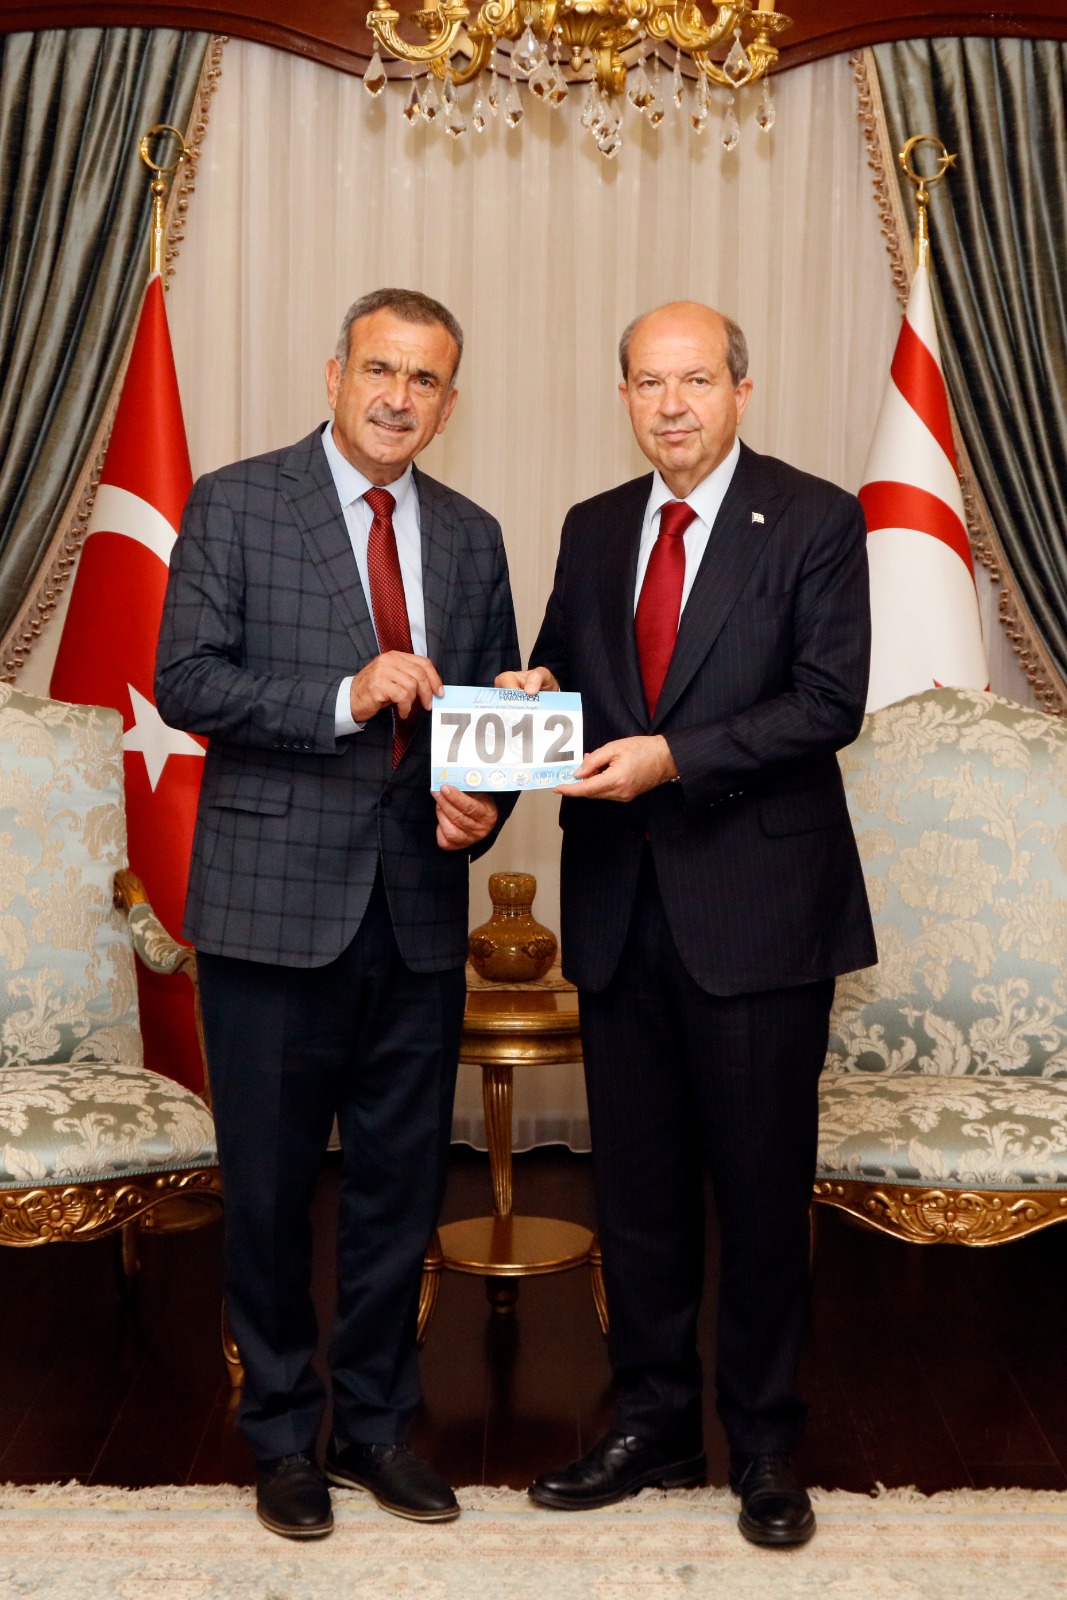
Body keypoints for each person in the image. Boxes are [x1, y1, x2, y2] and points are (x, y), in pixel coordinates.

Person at [498, 301, 876, 1547]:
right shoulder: (593, 525)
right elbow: (565, 667)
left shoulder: (813, 518)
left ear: (739, 391)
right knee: (640, 1191)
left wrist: (672, 756)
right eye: (648, 383)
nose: (671, 404)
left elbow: (825, 702)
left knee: (759, 1194)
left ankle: (762, 1442)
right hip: (619, 907)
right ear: (622, 396)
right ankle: (652, 1423)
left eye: (695, 380)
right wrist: (533, 690)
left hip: (758, 914)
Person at [156, 288, 519, 1540]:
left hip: (414, 912)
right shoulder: (235, 502)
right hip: (269, 909)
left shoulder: (470, 536)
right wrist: (342, 695)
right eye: (379, 369)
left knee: (397, 1190)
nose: (396, 398)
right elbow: (186, 678)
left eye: (423, 380)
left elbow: (481, 729)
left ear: (449, 404)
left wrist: (482, 809)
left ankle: (373, 1426)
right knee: (267, 1193)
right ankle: (279, 1435)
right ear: (333, 374)